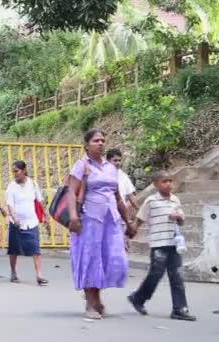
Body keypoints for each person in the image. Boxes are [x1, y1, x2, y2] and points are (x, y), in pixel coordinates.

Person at [67, 129, 135, 320]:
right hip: (89, 219)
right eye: (96, 140)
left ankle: (97, 298)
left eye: (103, 140)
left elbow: (118, 197)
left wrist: (128, 222)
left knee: (111, 258)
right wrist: (73, 217)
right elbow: (71, 192)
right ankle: (90, 303)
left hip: (110, 220)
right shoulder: (81, 166)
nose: (100, 143)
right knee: (91, 259)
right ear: (87, 144)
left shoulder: (111, 168)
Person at [127, 170, 197, 321]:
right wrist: (130, 234)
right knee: (155, 274)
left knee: (177, 276)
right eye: (164, 181)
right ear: (156, 184)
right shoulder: (151, 201)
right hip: (158, 243)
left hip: (174, 243)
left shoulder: (175, 200)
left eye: (170, 181)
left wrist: (179, 217)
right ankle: (138, 298)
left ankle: (180, 309)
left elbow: (181, 220)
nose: (168, 184)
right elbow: (139, 219)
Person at [5, 160, 48, 286]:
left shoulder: (33, 184)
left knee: (36, 249)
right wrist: (14, 217)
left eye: (17, 171)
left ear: (23, 170)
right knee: (14, 249)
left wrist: (45, 214)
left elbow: (39, 200)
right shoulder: (11, 186)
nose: (15, 174)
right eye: (13, 172)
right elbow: (10, 204)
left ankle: (39, 274)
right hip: (16, 221)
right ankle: (13, 272)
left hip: (31, 221)